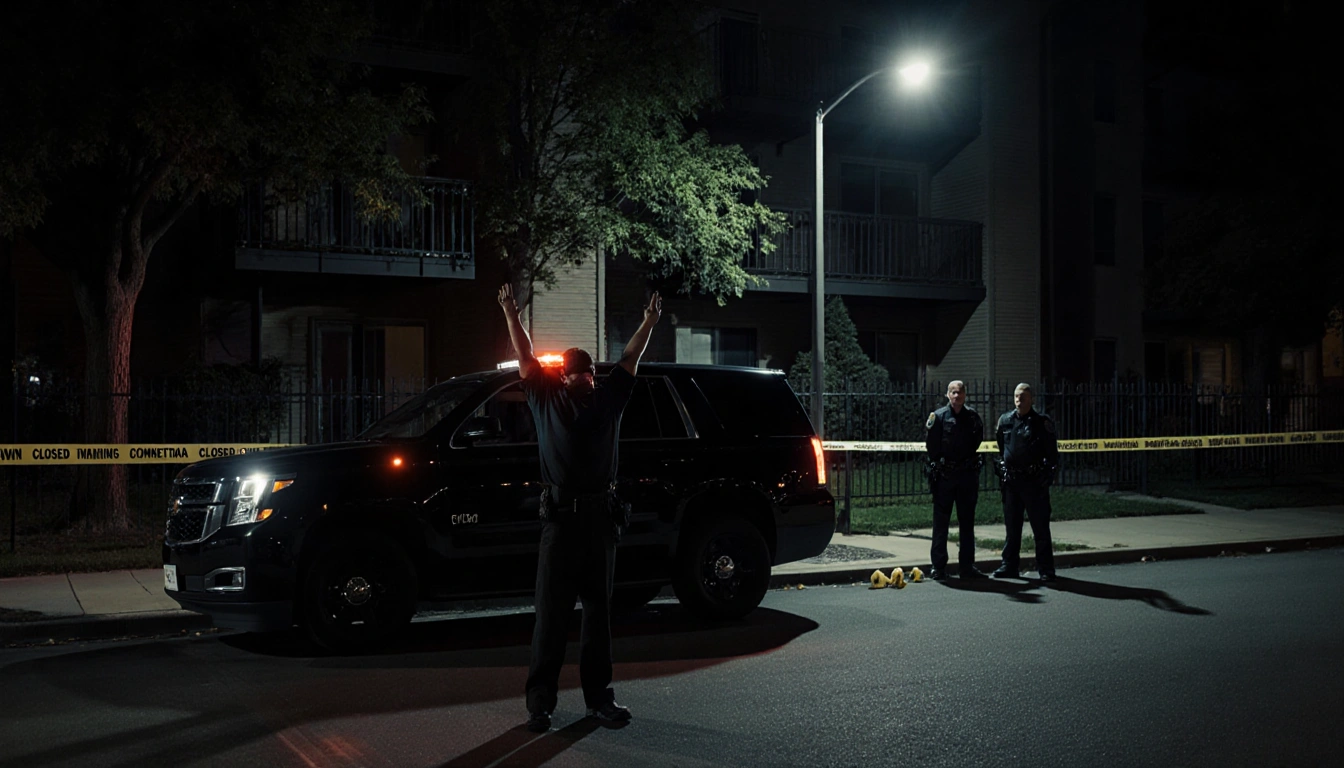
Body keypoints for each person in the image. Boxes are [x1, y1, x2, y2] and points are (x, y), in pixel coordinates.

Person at [498, 282, 662, 734]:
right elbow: (526, 358)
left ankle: (599, 701)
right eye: (578, 373)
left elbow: (629, 360)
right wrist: (512, 314)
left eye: (590, 372)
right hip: (560, 522)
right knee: (550, 616)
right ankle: (539, 706)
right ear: (564, 376)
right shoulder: (546, 398)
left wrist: (647, 323)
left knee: (598, 616)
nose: (585, 378)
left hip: (598, 521)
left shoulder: (609, 400)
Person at [992, 383, 1060, 583]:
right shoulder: (1005, 421)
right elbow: (1000, 446)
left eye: (1023, 396)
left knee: (1040, 527)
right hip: (1012, 483)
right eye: (1016, 396)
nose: (1019, 400)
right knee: (1012, 527)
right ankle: (1009, 565)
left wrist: (1046, 477)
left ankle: (1046, 569)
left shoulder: (1041, 422)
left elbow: (1052, 454)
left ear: (1031, 399)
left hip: (1034, 482)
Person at [923, 380, 987, 580]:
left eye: (959, 392)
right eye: (953, 392)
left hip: (966, 477)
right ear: (947, 395)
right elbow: (931, 447)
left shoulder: (973, 417)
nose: (956, 396)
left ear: (965, 394)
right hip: (945, 477)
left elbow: (977, 440)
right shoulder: (939, 417)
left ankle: (966, 567)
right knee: (941, 523)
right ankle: (938, 567)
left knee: (967, 523)